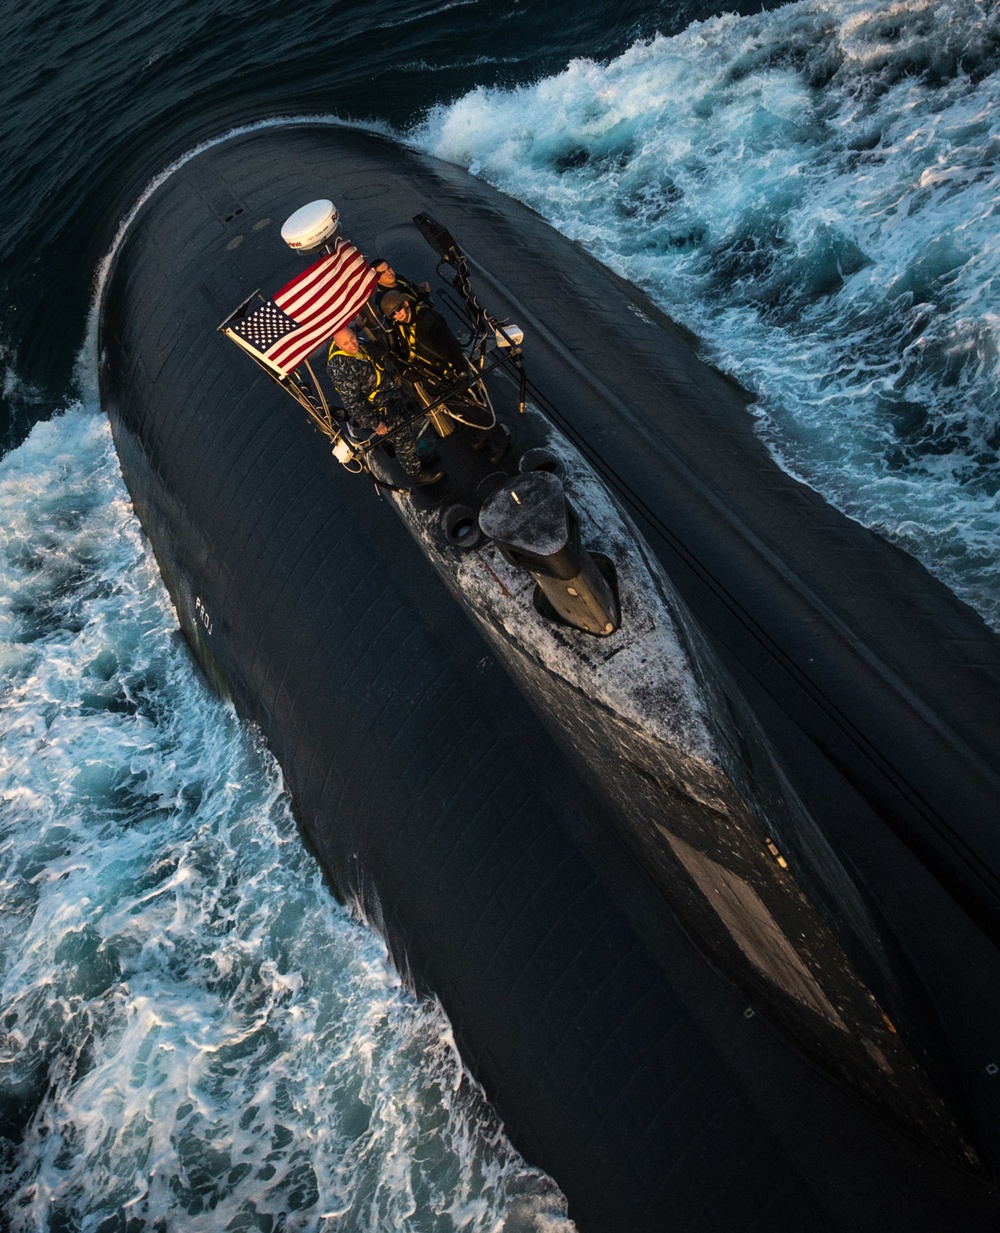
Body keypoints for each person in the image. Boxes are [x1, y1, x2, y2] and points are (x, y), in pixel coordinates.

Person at [326, 326, 443, 487]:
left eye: (352, 338)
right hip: (379, 409)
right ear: (338, 345)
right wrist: (374, 423)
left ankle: (414, 459)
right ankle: (415, 474)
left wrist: (358, 325)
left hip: (390, 395)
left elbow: (354, 336)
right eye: (346, 344)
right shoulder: (341, 369)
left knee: (407, 428)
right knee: (403, 439)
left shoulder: (354, 343)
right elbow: (353, 402)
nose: (353, 345)